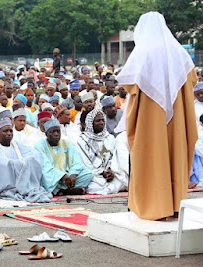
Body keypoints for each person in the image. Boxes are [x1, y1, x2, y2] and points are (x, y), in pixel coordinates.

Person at [117, 12, 197, 220]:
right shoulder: (180, 53)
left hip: (149, 121)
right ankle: (175, 205)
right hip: (178, 121)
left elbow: (129, 84)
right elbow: (193, 80)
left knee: (151, 157)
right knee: (175, 156)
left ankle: (154, 206)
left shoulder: (142, 53)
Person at [0, 118, 52, 202]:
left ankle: (24, 187)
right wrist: (16, 163)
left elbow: (33, 153)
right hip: (7, 187)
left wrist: (23, 162)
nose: (9, 133)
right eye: (5, 131)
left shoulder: (16, 145)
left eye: (10, 131)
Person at [34, 119, 93, 195]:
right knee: (44, 177)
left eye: (58, 131)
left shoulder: (67, 143)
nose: (56, 134)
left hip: (68, 175)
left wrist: (73, 174)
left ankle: (62, 190)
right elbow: (46, 167)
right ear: (46, 134)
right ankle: (65, 190)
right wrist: (63, 176)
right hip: (53, 178)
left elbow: (77, 161)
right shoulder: (40, 146)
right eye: (53, 132)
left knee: (88, 174)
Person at [77, 109, 127, 195]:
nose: (101, 123)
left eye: (103, 120)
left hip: (111, 173)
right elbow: (86, 163)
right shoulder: (82, 140)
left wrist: (111, 170)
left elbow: (115, 158)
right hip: (95, 174)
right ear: (90, 123)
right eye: (98, 120)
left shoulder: (110, 138)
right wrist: (102, 172)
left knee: (123, 179)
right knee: (93, 186)